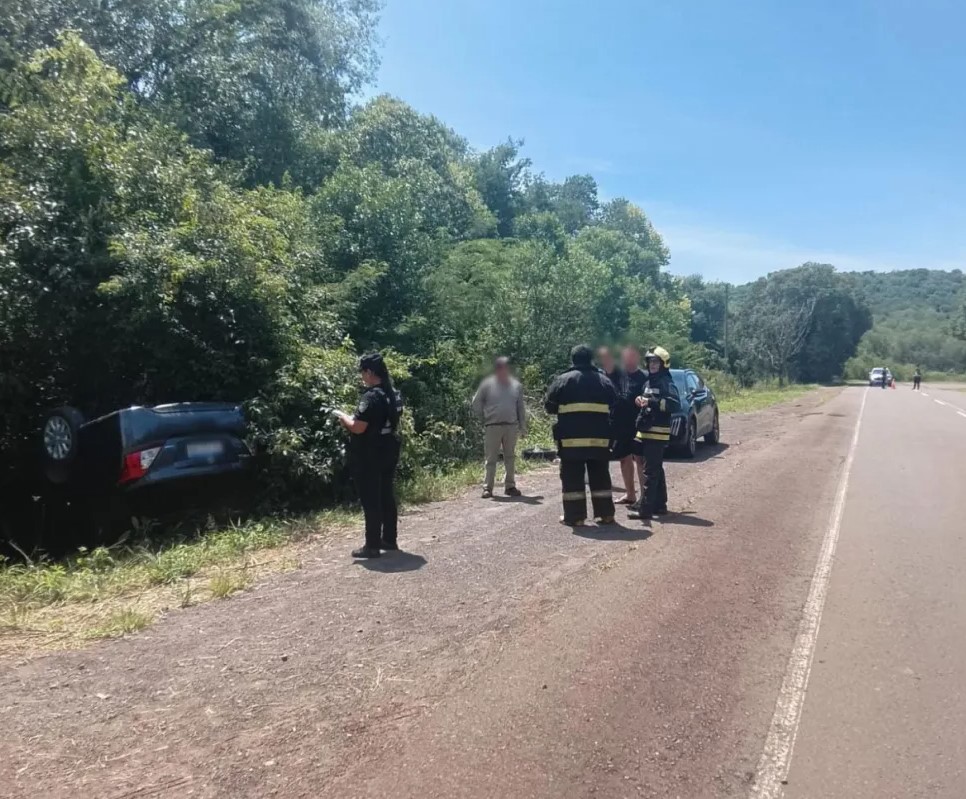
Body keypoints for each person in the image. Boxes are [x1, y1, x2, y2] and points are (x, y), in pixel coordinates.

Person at [335, 353, 402, 559]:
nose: (362, 376)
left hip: (371, 451)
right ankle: (389, 539)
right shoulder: (394, 394)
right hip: (389, 446)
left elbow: (358, 427)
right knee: (386, 493)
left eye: (363, 372)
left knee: (371, 498)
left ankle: (372, 545)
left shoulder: (371, 397)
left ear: (370, 372)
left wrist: (344, 418)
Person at [544, 344, 618, 526]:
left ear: (573, 359)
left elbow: (549, 406)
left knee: (572, 479)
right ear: (591, 359)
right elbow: (615, 403)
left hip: (571, 442)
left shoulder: (563, 380)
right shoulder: (604, 381)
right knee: (600, 477)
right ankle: (606, 514)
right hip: (600, 441)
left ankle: (575, 517)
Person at [629, 346, 680, 521]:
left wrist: (653, 402)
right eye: (650, 361)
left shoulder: (666, 382)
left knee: (650, 472)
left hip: (657, 434)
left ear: (664, 364)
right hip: (645, 432)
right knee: (656, 469)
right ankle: (660, 505)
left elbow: (675, 405)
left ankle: (645, 510)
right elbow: (647, 402)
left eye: (656, 362)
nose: (652, 365)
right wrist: (639, 400)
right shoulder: (648, 382)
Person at [471, 356, 526, 498]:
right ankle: (487, 488)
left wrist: (523, 427)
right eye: (500, 367)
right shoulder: (487, 385)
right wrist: (484, 417)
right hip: (492, 425)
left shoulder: (516, 386)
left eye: (505, 367)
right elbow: (476, 403)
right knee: (491, 458)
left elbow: (520, 407)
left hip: (511, 426)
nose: (503, 370)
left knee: (510, 457)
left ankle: (510, 486)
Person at [612, 346, 648, 507]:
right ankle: (630, 494)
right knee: (623, 458)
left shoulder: (645, 377)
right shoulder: (617, 376)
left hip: (639, 424)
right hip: (620, 423)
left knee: (640, 459)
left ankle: (644, 497)